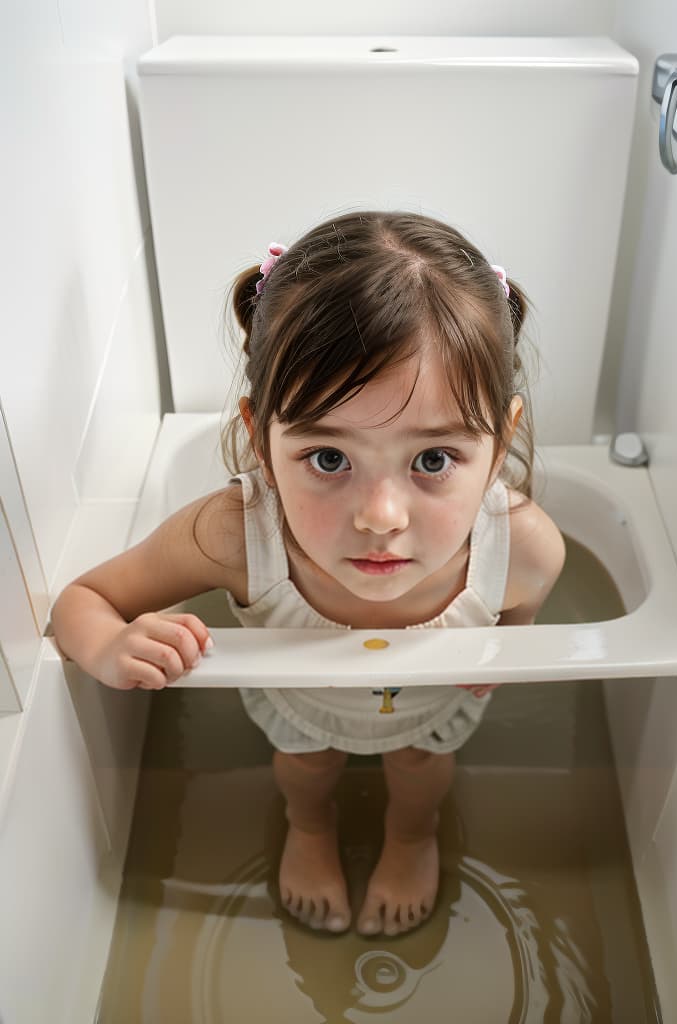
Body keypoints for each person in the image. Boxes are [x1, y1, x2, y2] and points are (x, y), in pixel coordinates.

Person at [51, 210, 565, 938]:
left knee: (421, 768)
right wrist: (106, 646)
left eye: (433, 460)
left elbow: (525, 611)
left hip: (431, 708)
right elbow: (85, 599)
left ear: (499, 440)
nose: (380, 517)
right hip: (301, 710)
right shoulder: (234, 535)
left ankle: (413, 835)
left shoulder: (524, 547)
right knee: (305, 766)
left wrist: (506, 649)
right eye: (329, 459)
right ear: (261, 438)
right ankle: (310, 827)